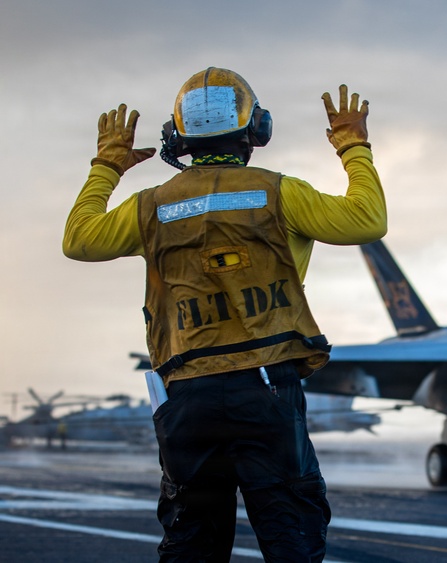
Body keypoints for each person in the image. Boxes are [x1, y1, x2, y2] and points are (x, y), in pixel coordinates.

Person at [63, 67, 387, 562]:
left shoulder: (150, 206)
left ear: (179, 137)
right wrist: (353, 147)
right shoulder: (281, 193)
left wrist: (107, 165)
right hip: (266, 391)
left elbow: (79, 241)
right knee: (290, 536)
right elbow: (367, 220)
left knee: (192, 542)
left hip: (187, 396)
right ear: (256, 129)